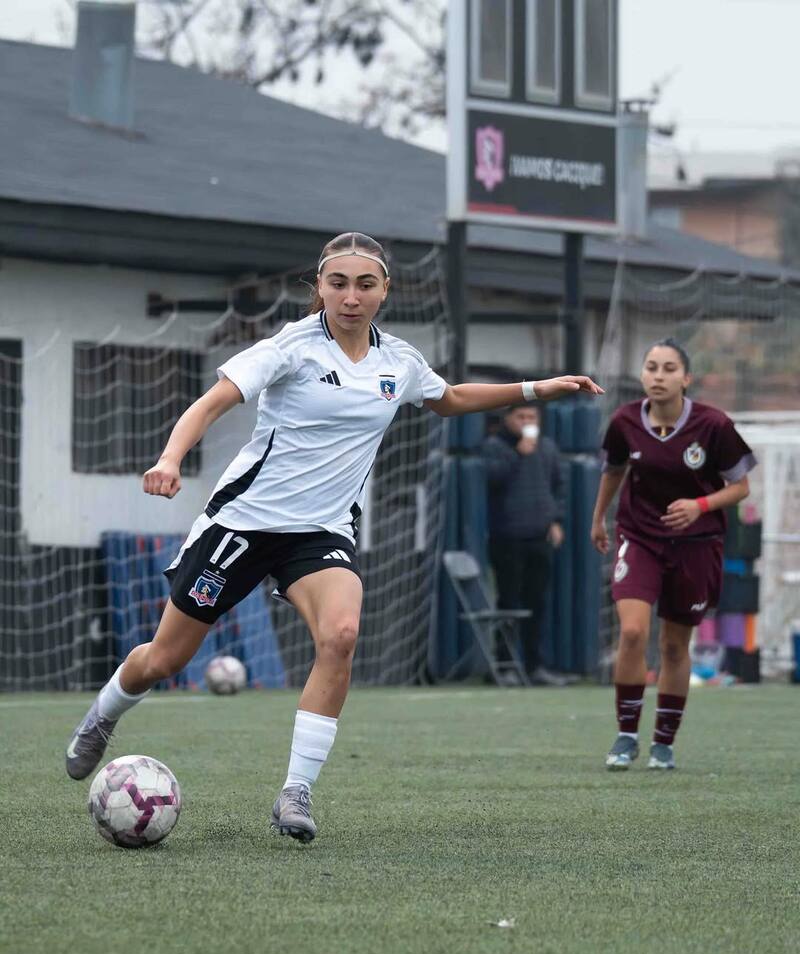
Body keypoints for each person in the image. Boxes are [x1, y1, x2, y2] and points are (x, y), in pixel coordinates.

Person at [65, 231, 603, 844]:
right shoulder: (290, 348)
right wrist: (169, 459)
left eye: (365, 284)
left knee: (341, 635)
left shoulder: (397, 361)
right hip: (243, 525)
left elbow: (448, 397)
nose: (351, 296)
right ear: (318, 287)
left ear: (385, 291)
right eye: (338, 283)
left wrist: (539, 388)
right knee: (165, 659)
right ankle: (103, 715)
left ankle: (295, 792)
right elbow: (213, 401)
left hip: (320, 533)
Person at [590, 338, 755, 771]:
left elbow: (740, 486)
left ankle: (663, 743)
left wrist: (698, 506)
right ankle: (626, 736)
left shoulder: (714, 425)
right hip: (640, 537)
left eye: (668, 369)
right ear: (642, 375)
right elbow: (613, 471)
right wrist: (598, 519)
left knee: (675, 646)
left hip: (697, 545)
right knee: (632, 633)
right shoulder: (625, 421)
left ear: (686, 378)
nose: (658, 376)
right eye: (651, 367)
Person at [482, 404, 568, 686]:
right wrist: (518, 454)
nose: (526, 422)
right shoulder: (495, 447)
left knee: (538, 603)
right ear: (507, 419)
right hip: (507, 537)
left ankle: (535, 666)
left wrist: (555, 520)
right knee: (508, 602)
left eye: (531, 417)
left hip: (539, 536)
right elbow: (492, 480)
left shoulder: (548, 448)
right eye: (520, 417)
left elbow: (558, 487)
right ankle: (505, 665)